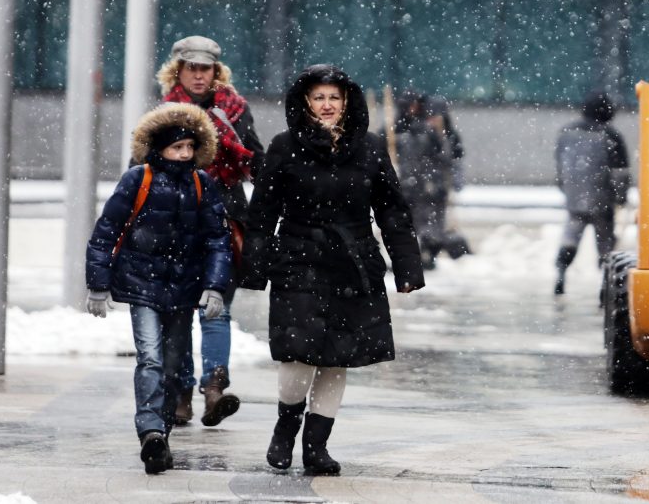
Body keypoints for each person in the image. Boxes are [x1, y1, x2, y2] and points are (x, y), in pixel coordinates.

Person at [241, 64, 424, 476]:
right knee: (298, 355)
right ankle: (285, 428)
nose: (327, 105)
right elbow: (262, 213)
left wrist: (407, 266)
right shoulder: (284, 147)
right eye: (319, 97)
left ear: (347, 103)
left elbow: (392, 211)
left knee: (338, 358)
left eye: (334, 98)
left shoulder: (371, 148)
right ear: (306, 102)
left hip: (353, 265)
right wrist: (254, 268)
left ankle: (316, 447)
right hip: (298, 261)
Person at [85, 103, 233, 474]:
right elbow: (106, 231)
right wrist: (98, 284)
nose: (184, 154)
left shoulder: (202, 184)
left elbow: (218, 239)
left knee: (171, 365)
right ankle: (150, 429)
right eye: (176, 147)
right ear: (159, 148)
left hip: (183, 289)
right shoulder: (138, 179)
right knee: (150, 357)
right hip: (142, 284)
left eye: (188, 147)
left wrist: (215, 287)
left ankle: (161, 433)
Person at [157, 35, 265, 427]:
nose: (199, 76)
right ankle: (182, 393)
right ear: (179, 70)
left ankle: (214, 388)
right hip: (176, 224)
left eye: (206, 69)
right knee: (181, 310)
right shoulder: (164, 113)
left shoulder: (234, 110)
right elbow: (143, 168)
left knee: (216, 306)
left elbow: (258, 163)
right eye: (192, 68)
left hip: (225, 221)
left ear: (216, 72)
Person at [553, 91, 630, 295]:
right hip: (602, 199)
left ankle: (561, 271)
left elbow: (560, 166)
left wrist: (566, 188)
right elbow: (620, 173)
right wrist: (621, 197)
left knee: (570, 236)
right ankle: (605, 286)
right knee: (605, 243)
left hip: (574, 197)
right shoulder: (610, 135)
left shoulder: (566, 133)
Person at [391, 91, 450, 270]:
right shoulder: (396, 131)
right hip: (405, 184)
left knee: (427, 222)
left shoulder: (428, 131)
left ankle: (427, 254)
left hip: (425, 185)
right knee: (407, 223)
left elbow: (444, 156)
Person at [423, 95, 472, 260]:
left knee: (440, 218)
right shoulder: (422, 134)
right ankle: (428, 246)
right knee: (425, 218)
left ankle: (436, 245)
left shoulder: (450, 135)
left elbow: (456, 161)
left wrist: (456, 181)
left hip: (442, 185)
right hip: (424, 185)